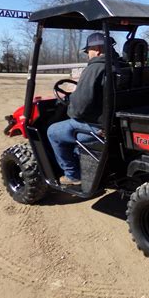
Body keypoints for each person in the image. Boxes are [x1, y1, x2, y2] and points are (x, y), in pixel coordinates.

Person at [47, 32, 108, 186]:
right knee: (68, 131)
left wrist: (69, 104)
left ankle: (72, 175)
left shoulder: (95, 68)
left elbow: (80, 107)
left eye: (89, 51)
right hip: (111, 122)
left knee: (53, 131)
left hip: (97, 127)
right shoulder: (119, 65)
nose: (88, 54)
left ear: (97, 49)